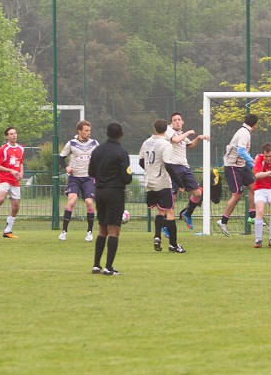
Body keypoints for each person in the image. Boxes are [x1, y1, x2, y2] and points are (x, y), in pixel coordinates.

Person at [88, 123, 133, 275]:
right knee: (114, 230)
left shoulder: (97, 151)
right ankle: (108, 267)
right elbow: (127, 178)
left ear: (107, 134)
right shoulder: (121, 153)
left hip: (99, 192)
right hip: (115, 193)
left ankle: (96, 265)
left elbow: (91, 172)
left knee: (102, 228)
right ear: (121, 134)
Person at [140, 119, 185, 254]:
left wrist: (150, 170)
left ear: (154, 128)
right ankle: (173, 244)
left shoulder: (146, 142)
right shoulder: (165, 145)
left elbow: (142, 161)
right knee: (170, 211)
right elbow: (169, 166)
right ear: (166, 129)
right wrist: (180, 183)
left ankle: (157, 236)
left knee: (160, 211)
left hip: (149, 182)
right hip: (162, 182)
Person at [165, 112, 209, 231]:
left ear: (183, 121)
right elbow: (175, 140)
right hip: (173, 168)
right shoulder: (169, 131)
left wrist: (198, 138)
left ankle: (187, 214)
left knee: (198, 193)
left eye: (179, 119)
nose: (177, 121)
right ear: (171, 123)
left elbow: (190, 145)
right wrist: (188, 132)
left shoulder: (182, 135)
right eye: (175, 120)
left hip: (185, 167)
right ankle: (165, 226)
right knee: (172, 199)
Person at [217, 113, 259, 236]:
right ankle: (223, 221)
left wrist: (253, 167)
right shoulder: (244, 133)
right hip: (232, 166)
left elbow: (242, 153)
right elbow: (241, 150)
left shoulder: (244, 131)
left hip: (241, 165)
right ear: (255, 125)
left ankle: (252, 216)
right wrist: (253, 161)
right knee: (237, 194)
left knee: (254, 187)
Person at [59, 120, 99, 242]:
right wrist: (67, 167)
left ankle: (89, 232)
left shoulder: (94, 143)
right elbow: (61, 157)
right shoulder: (71, 143)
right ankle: (64, 231)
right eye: (86, 130)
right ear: (79, 131)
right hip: (74, 178)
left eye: (89, 130)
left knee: (89, 203)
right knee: (72, 201)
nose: (88, 133)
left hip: (88, 178)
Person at [0, 127, 25, 239]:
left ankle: (8, 230)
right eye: (11, 134)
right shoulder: (3, 149)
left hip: (15, 181)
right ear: (7, 136)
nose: (14, 135)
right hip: (4, 178)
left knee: (16, 207)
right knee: (1, 198)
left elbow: (21, 162)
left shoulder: (21, 148)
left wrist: (21, 173)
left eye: (15, 133)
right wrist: (10, 170)